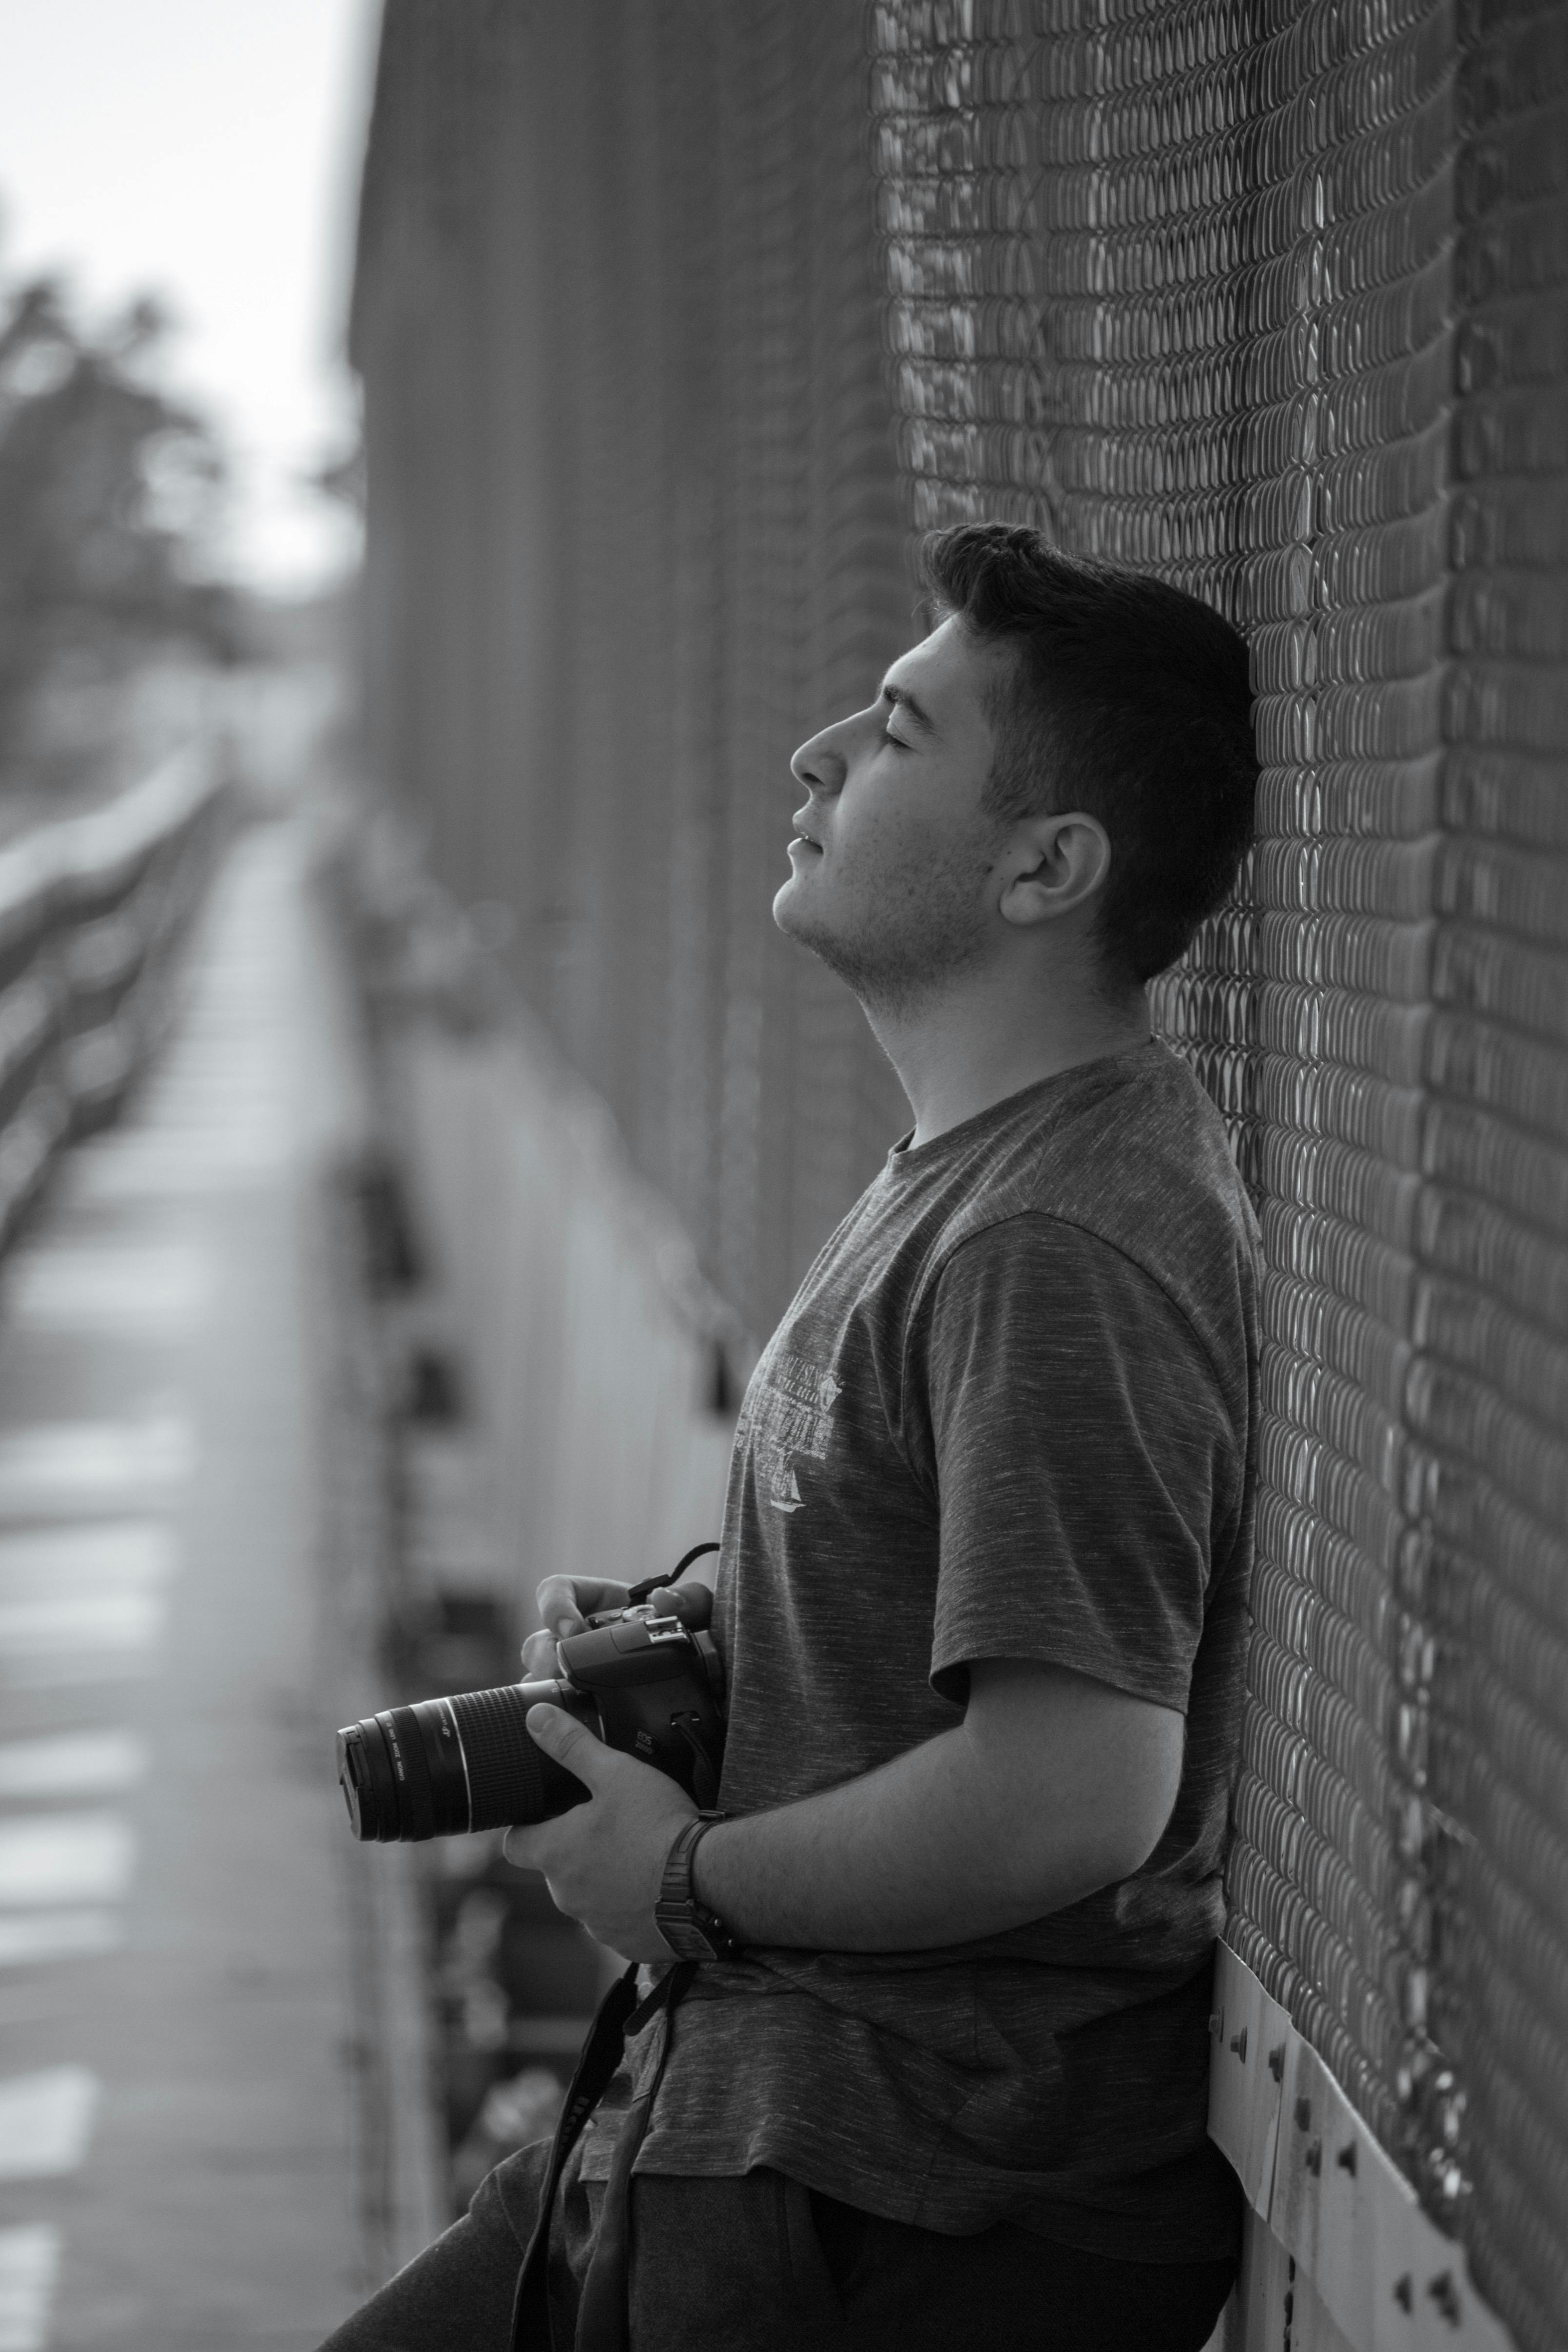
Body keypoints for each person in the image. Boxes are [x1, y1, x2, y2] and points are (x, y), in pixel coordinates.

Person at [320, 522, 1260, 2351]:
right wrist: (711, 1667)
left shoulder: (1053, 1240)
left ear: (1046, 866)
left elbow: (1075, 1782)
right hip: (764, 2129)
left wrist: (676, 1877)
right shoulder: (976, 1176)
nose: (813, 751)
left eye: (902, 733)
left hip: (893, 2195)